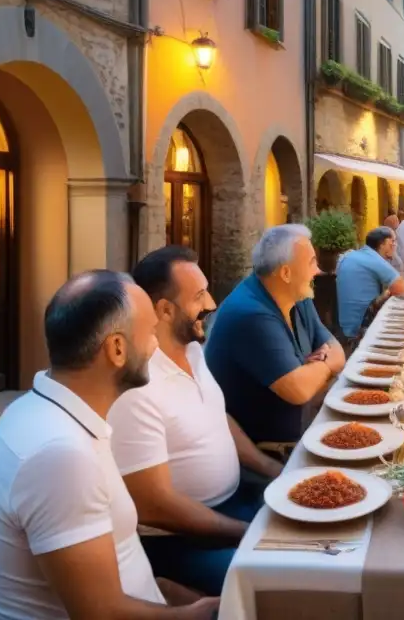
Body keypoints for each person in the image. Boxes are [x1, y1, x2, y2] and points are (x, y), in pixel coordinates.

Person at [0, 270, 218, 619]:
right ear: (117, 349)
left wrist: (170, 593)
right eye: (149, 333)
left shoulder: (41, 410)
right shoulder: (60, 455)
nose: (156, 345)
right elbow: (100, 612)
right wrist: (202, 613)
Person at [109, 247, 280, 598]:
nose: (212, 302)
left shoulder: (191, 349)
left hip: (237, 501)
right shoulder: (139, 385)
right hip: (180, 539)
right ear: (165, 309)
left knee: (325, 536)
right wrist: (245, 531)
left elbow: (216, 416)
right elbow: (154, 507)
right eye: (200, 295)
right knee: (280, 584)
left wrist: (273, 469)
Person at [205, 225, 345, 449]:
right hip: (264, 456)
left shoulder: (298, 295)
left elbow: (336, 348)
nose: (317, 270)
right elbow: (299, 390)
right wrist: (327, 366)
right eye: (310, 262)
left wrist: (313, 370)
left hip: (301, 433)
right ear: (286, 273)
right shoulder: (251, 314)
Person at [336, 227, 404, 339]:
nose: (394, 246)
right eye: (392, 242)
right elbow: (402, 288)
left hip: (344, 325)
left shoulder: (356, 255)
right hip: (360, 327)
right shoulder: (373, 258)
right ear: (381, 244)